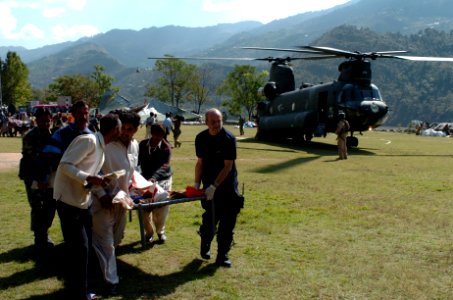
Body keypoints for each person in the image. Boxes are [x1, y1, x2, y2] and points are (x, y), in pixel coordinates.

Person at [54, 113, 121, 300]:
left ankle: (79, 289)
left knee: (82, 249)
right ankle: (80, 293)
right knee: (80, 249)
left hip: (82, 202)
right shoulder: (89, 141)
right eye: (120, 128)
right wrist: (89, 178)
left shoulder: (101, 146)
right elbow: (65, 165)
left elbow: (88, 175)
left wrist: (101, 185)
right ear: (116, 129)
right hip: (68, 201)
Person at [91, 111, 140, 296]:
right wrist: (101, 193)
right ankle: (111, 281)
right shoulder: (106, 145)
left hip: (122, 201)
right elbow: (92, 171)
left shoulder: (135, 146)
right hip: (101, 201)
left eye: (130, 129)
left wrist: (139, 189)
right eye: (123, 128)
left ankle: (96, 265)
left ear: (136, 130)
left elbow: (131, 172)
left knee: (117, 239)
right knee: (107, 243)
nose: (125, 132)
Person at [194, 108, 243, 268]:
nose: (216, 125)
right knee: (210, 219)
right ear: (206, 122)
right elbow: (200, 163)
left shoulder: (228, 139)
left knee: (228, 223)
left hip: (227, 187)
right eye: (213, 122)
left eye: (219, 121)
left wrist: (214, 186)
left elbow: (228, 167)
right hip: (209, 186)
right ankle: (205, 243)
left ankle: (222, 255)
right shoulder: (200, 138)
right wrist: (196, 184)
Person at [18, 107, 56, 262]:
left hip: (49, 178)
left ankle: (43, 234)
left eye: (48, 120)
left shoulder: (54, 135)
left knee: (50, 206)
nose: (46, 123)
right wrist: (39, 179)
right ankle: (39, 240)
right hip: (33, 177)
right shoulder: (29, 136)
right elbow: (33, 159)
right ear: (36, 121)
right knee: (37, 207)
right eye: (42, 120)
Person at [138, 123, 173, 244]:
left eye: (161, 135)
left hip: (163, 181)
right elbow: (137, 162)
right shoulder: (142, 145)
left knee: (161, 207)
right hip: (145, 181)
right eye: (156, 135)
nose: (159, 138)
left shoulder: (166, 148)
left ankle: (160, 232)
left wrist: (153, 178)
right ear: (151, 133)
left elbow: (165, 166)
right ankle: (149, 232)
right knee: (144, 208)